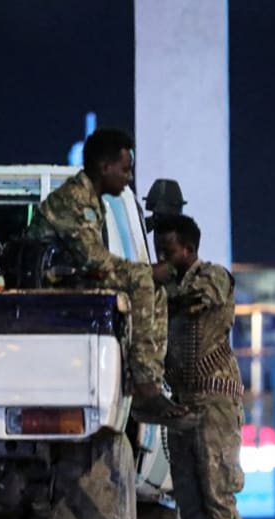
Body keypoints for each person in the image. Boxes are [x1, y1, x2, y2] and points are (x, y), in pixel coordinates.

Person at [26, 128, 194, 429]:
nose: (129, 177)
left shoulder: (93, 199)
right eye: (125, 169)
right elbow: (95, 259)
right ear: (105, 167)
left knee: (150, 286)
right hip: (50, 284)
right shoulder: (76, 198)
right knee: (143, 281)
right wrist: (146, 272)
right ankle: (145, 386)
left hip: (67, 279)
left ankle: (147, 380)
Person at [150, 215, 246, 519]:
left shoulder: (213, 277)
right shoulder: (163, 285)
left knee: (218, 495)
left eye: (169, 252)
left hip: (215, 401)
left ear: (188, 249)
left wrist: (151, 285)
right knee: (188, 500)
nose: (164, 259)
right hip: (182, 401)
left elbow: (196, 303)